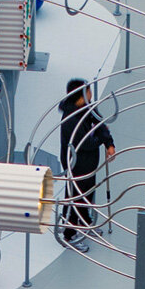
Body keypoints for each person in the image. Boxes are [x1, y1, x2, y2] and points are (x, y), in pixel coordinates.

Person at [58, 78, 115, 247]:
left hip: (88, 162)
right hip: (76, 163)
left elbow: (100, 124)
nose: (91, 93)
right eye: (88, 90)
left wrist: (109, 143)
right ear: (81, 95)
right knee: (75, 196)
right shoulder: (70, 120)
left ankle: (85, 222)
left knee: (87, 193)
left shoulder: (87, 107)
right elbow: (86, 143)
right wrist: (100, 139)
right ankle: (69, 234)